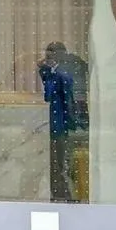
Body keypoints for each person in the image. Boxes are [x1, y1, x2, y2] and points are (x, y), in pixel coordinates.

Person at [40, 42, 79, 202]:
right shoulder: (50, 71)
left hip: (60, 124)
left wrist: (49, 71)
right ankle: (60, 195)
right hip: (54, 124)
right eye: (48, 54)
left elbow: (50, 94)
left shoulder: (65, 72)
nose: (49, 58)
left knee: (60, 163)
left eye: (52, 54)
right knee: (55, 162)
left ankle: (63, 196)